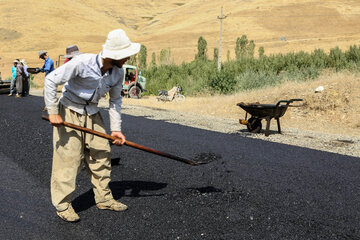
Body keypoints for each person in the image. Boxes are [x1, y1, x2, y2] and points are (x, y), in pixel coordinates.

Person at [44, 29, 140, 222]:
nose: (128, 57)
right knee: (69, 158)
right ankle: (63, 205)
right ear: (115, 55)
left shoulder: (118, 72)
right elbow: (50, 79)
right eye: (126, 54)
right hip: (69, 110)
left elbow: (115, 102)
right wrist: (53, 112)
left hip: (93, 113)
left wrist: (116, 130)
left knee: (102, 153)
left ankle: (104, 198)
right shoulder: (82, 63)